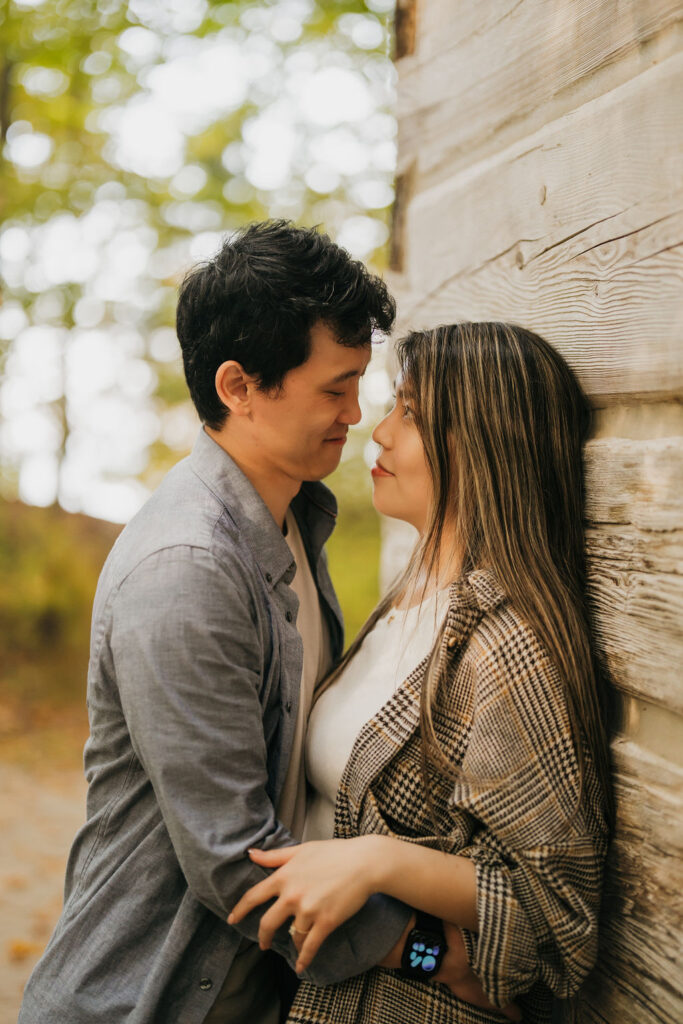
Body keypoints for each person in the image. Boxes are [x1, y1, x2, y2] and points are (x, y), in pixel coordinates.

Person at [18, 223, 504, 1024]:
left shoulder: (297, 518)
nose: (357, 414)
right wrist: (435, 953)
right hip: (146, 995)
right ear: (239, 387)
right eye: (332, 388)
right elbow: (236, 862)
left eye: (359, 384)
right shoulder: (188, 571)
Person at [230, 321, 615, 1024]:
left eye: (411, 414)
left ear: (483, 444)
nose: (377, 431)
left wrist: (381, 861)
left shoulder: (507, 645)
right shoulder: (405, 604)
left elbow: (557, 916)